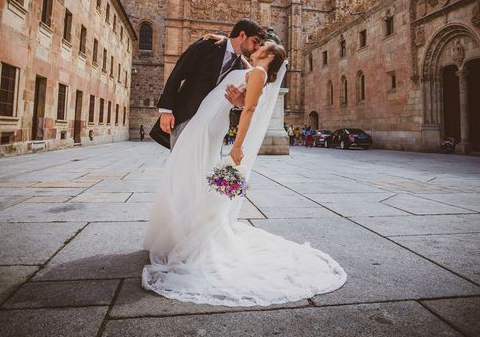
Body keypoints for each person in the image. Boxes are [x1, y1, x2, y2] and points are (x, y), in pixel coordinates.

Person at [142, 41, 346, 306]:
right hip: (206, 122)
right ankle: (185, 229)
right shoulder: (253, 69)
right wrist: (220, 37)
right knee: (191, 175)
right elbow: (237, 58)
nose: (258, 46)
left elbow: (248, 110)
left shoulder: (259, 74)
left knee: (193, 175)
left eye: (264, 46)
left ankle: (192, 234)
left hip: (210, 126)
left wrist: (237, 146)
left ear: (270, 55)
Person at [150, 19, 266, 150]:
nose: (256, 47)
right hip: (187, 118)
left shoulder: (240, 68)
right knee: (181, 164)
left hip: (212, 127)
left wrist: (239, 104)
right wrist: (166, 110)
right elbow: (178, 72)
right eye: (255, 42)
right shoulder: (206, 46)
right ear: (242, 35)